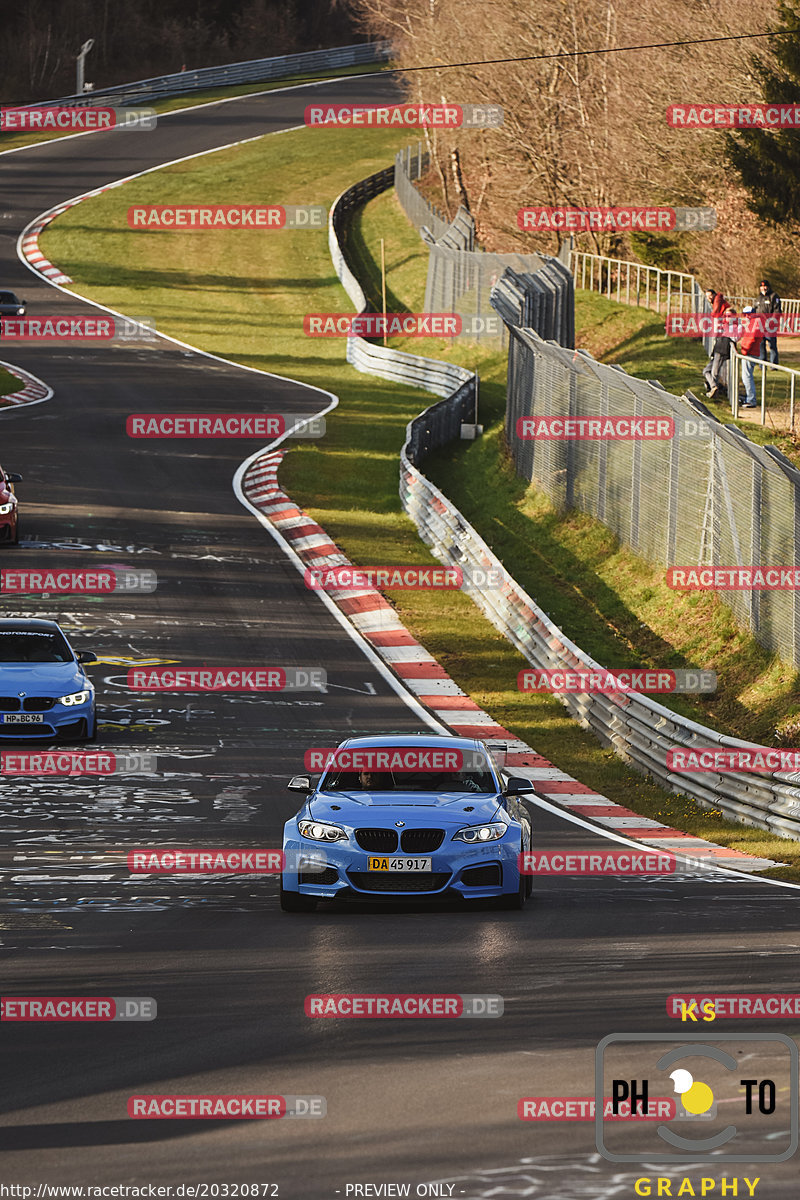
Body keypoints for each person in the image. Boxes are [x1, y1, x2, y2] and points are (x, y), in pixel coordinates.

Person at [703, 307, 736, 399]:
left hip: (723, 351)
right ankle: (713, 387)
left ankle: (715, 390)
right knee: (706, 371)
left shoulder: (736, 326)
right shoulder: (722, 325)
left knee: (715, 373)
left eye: (729, 316)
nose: (727, 318)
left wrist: (726, 330)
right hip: (717, 350)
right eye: (725, 316)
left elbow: (735, 338)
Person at [738, 306, 763, 408]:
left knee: (747, 377)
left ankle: (751, 400)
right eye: (745, 314)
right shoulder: (754, 322)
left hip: (750, 353)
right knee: (746, 377)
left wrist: (744, 350)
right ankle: (749, 397)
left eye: (748, 314)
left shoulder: (756, 322)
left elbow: (752, 339)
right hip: (749, 352)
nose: (747, 316)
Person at [756, 278, 781, 364]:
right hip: (760, 326)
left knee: (772, 345)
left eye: (765, 286)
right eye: (762, 287)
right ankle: (762, 364)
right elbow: (755, 310)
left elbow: (777, 311)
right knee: (760, 345)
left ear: (769, 287)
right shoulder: (758, 298)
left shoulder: (774, 296)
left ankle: (774, 365)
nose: (764, 288)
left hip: (770, 326)